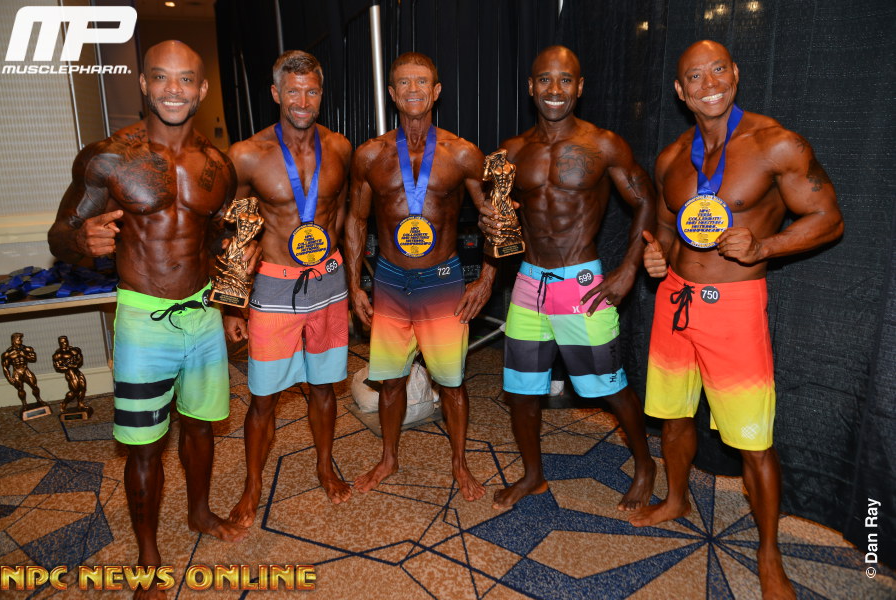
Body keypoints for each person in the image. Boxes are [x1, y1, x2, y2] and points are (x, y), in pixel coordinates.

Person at [628, 40, 843, 600]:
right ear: (681, 91)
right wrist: (658, 256)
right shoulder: (672, 157)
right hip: (675, 301)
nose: (710, 84)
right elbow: (670, 226)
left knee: (754, 441)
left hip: (735, 306)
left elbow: (828, 217)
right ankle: (676, 499)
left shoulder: (777, 143)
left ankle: (769, 555)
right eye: (695, 77)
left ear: (736, 74)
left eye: (718, 70)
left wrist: (765, 246)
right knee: (674, 417)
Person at [48, 41, 254, 599]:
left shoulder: (218, 165)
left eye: (186, 79)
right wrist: (81, 240)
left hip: (203, 314)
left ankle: (199, 513)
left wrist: (234, 297)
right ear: (144, 83)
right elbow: (60, 234)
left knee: (202, 426)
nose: (173, 90)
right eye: (161, 78)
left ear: (202, 89)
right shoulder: (108, 158)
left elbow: (217, 239)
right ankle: (148, 555)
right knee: (144, 445)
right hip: (143, 318)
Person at [478, 46, 657, 511]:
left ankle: (645, 466)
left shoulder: (604, 144)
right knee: (521, 390)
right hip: (528, 282)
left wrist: (629, 268)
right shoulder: (511, 150)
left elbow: (645, 199)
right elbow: (497, 217)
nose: (554, 89)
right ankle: (533, 476)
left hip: (581, 283)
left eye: (564, 80)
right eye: (544, 79)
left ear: (580, 87)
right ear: (530, 86)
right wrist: (488, 225)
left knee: (610, 386)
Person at [344, 52, 495, 502]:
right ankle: (389, 458)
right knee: (390, 381)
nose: (413, 90)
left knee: (451, 383)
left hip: (442, 283)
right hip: (390, 283)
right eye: (404, 83)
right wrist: (354, 286)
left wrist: (487, 278)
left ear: (436, 91)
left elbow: (497, 218)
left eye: (422, 82)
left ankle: (460, 464)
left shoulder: (462, 153)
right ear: (392, 94)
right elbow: (355, 221)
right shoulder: (370, 154)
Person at [222, 50, 354, 524]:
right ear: (276, 93)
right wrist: (231, 306)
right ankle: (252, 484)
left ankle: (325, 465)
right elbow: (230, 232)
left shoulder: (340, 148)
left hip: (328, 283)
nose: (302, 101)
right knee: (263, 397)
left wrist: (352, 283)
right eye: (293, 91)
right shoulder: (247, 155)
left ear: (321, 94)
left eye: (311, 91)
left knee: (324, 387)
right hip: (274, 287)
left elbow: (343, 215)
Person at [2, 332, 46, 410]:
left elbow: (33, 359)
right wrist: (9, 378)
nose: (21, 341)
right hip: (17, 372)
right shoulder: (8, 353)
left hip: (26, 370)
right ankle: (24, 403)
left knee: (34, 386)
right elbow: (5, 367)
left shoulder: (27, 349)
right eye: (19, 339)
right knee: (20, 389)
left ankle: (39, 399)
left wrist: (24, 355)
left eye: (21, 339)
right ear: (13, 340)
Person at [52, 335, 89, 414]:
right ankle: (64, 404)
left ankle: (80, 404)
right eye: (61, 342)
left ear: (67, 341)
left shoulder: (74, 350)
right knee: (74, 390)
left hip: (77, 371)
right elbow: (57, 367)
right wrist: (68, 366)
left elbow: (80, 359)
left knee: (83, 387)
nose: (64, 344)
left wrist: (76, 363)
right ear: (59, 343)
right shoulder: (58, 354)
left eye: (65, 342)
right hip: (70, 372)